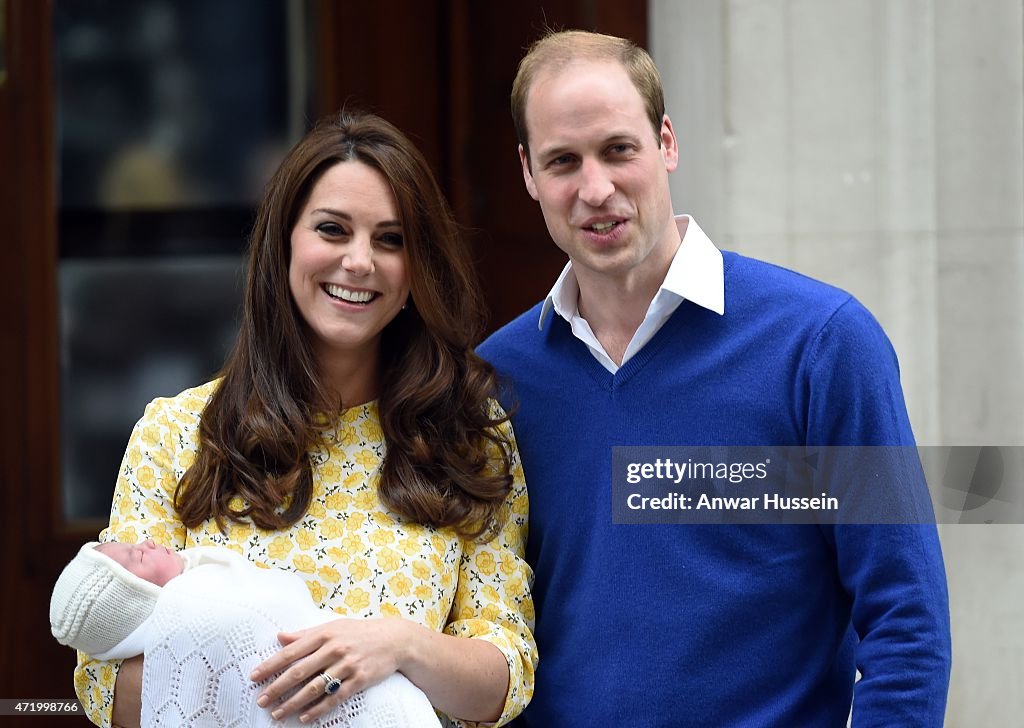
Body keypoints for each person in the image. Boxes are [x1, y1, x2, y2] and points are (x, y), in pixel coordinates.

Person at [478, 30, 951, 726]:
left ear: (666, 141)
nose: (596, 188)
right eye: (562, 161)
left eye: (618, 150)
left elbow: (907, 620)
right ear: (527, 173)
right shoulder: (497, 380)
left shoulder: (821, 344)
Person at [72, 110, 536, 728]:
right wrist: (272, 683)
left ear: (417, 268)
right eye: (333, 229)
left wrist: (399, 645)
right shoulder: (178, 433)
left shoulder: (468, 438)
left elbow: (505, 676)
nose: (359, 261)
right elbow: (104, 688)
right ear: (285, 240)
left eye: (391, 239)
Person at [52, 540, 440, 727]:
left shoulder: (208, 585)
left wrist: (400, 643)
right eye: (136, 557)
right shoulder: (198, 608)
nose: (147, 543)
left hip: (395, 695)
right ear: (131, 599)